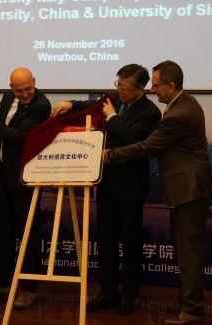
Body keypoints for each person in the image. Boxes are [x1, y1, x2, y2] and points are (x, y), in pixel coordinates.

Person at [105, 61, 212, 325]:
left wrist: (110, 155)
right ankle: (186, 302)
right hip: (188, 186)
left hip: (190, 187)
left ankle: (192, 310)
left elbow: (147, 147)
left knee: (188, 252)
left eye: (156, 85)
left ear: (171, 85)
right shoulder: (182, 103)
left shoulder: (178, 113)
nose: (152, 90)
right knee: (186, 250)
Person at [52, 64, 160, 315]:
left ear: (140, 88)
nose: (119, 91)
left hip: (131, 186)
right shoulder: (113, 100)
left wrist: (112, 117)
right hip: (107, 183)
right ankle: (107, 291)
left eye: (125, 88)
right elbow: (89, 105)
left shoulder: (150, 112)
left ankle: (128, 294)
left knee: (130, 241)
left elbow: (133, 141)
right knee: (106, 239)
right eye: (117, 85)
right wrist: (70, 103)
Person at [0, 67, 51, 309]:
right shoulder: (8, 97)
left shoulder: (41, 105)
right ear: (11, 88)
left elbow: (20, 137)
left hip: (24, 178)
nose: (25, 94)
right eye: (19, 91)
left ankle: (29, 288)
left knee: (27, 234)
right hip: (4, 176)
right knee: (3, 232)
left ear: (34, 82)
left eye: (28, 88)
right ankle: (1, 283)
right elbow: (3, 120)